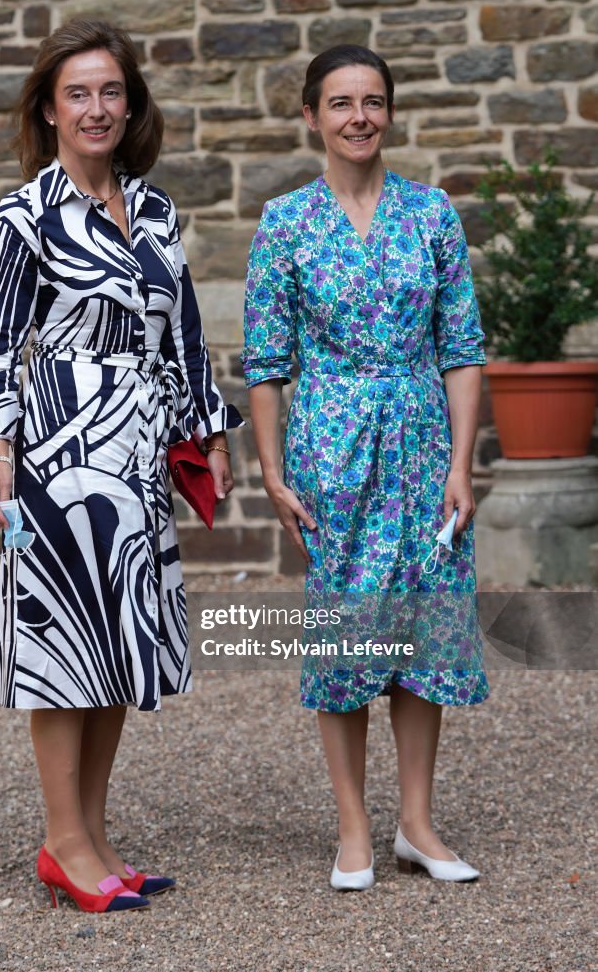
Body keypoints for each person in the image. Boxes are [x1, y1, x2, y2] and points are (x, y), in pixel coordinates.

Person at [0, 18, 241, 913]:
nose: (96, 107)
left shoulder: (154, 210)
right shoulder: (24, 216)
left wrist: (209, 429)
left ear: (130, 102)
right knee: (63, 641)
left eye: (110, 90)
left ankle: (95, 836)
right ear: (48, 106)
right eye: (77, 92)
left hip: (141, 449)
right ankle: (63, 843)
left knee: (117, 646)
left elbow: (183, 334)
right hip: (62, 448)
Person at [242, 45, 487, 890]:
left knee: (424, 628)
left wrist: (462, 464)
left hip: (422, 448)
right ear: (311, 115)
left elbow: (460, 350)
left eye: (373, 102)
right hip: (332, 453)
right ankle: (352, 827)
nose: (359, 117)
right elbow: (267, 365)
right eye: (341, 103)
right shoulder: (285, 224)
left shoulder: (431, 214)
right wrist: (273, 473)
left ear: (389, 112)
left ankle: (415, 824)